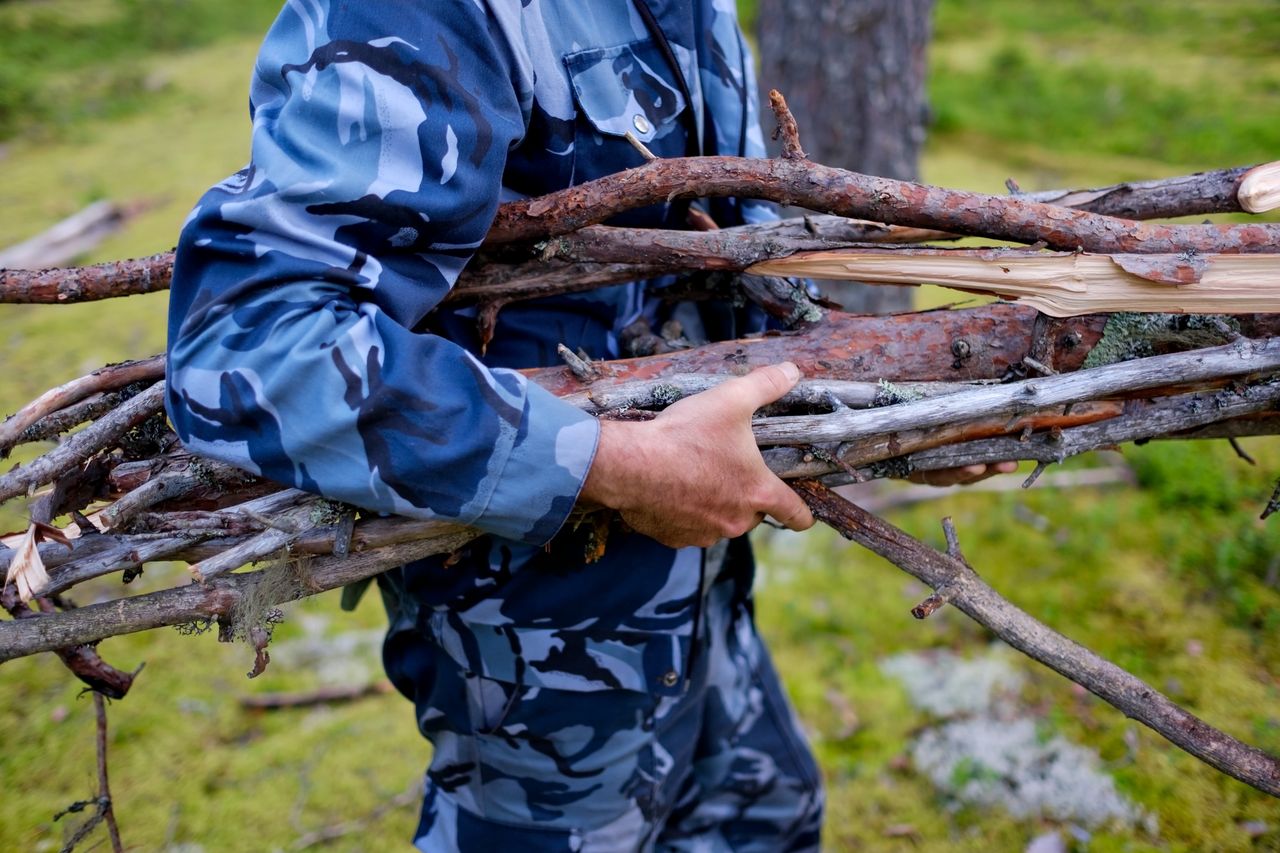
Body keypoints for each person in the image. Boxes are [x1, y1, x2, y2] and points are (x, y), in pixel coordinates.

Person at [165, 1, 1006, 848]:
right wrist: (624, 465)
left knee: (769, 819)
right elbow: (255, 338)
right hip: (535, 646)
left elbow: (734, 267)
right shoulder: (434, 13)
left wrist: (899, 421)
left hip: (704, 600)